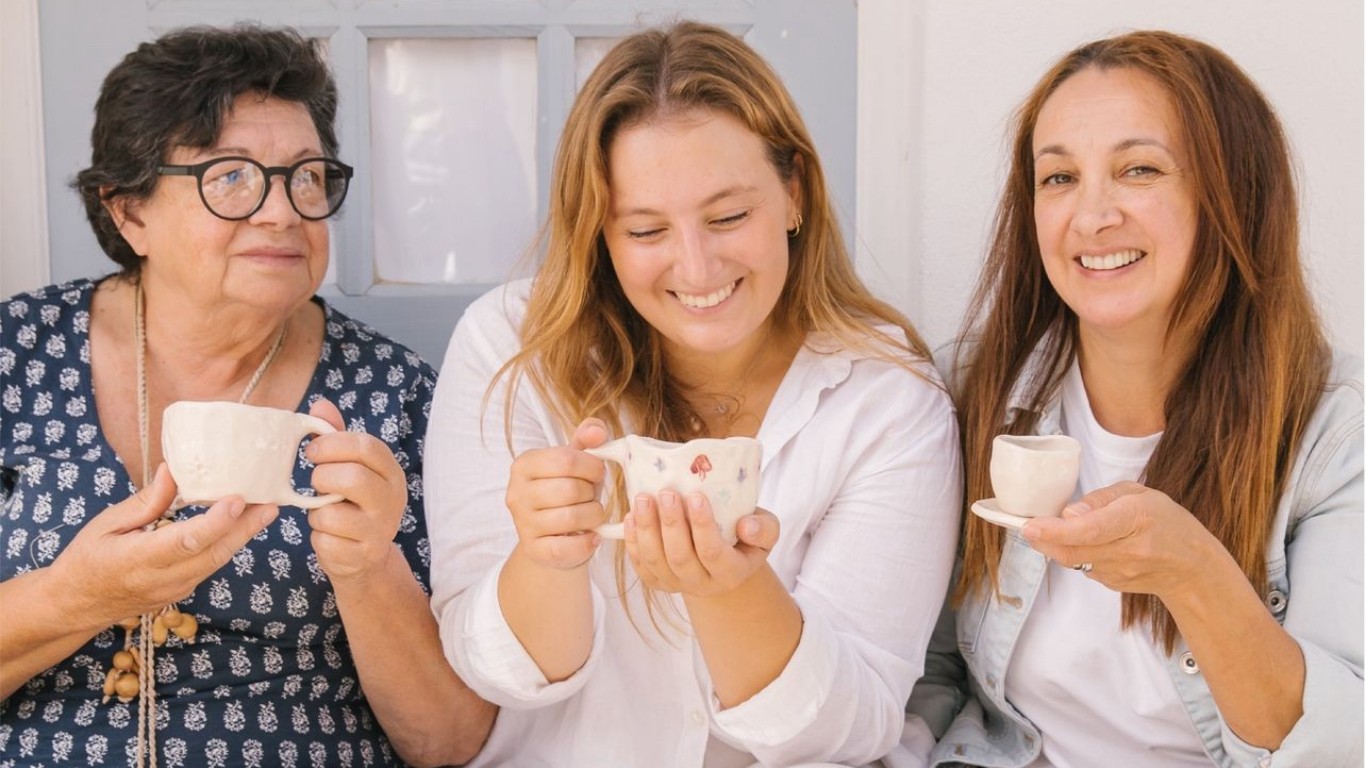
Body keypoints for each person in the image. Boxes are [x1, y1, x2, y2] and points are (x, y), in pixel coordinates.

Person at [424, 20, 962, 768]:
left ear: (794, 194)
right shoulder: (509, 347)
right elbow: (498, 674)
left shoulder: (885, 396)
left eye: (729, 217)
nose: (697, 266)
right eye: (646, 230)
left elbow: (850, 728)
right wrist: (547, 559)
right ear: (599, 237)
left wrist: (731, 593)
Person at [0, 25, 495, 767]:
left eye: (305, 176)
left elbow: (449, 743)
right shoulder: (16, 354)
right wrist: (78, 597)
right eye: (229, 176)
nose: (282, 212)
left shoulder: (396, 396)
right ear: (128, 212)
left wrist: (367, 569)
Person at [905, 30, 1363, 768]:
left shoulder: (1337, 435)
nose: (1091, 217)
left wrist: (1193, 572)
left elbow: (1335, 748)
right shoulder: (971, 391)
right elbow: (930, 672)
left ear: (1234, 196)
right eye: (1058, 179)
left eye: (1139, 170)